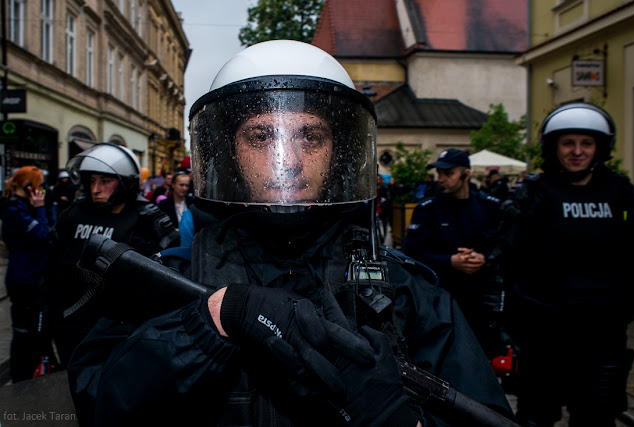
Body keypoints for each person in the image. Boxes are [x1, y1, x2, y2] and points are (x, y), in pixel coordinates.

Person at [67, 40, 513, 426]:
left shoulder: (404, 292)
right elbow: (97, 402)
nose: (290, 159)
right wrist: (206, 325)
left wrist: (402, 421)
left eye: (312, 137)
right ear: (229, 152)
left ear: (339, 150)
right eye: (261, 137)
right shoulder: (171, 279)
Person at [491, 102, 634, 426]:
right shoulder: (532, 195)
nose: (577, 152)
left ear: (600, 146)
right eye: (567, 143)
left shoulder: (623, 194)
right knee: (536, 415)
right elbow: (503, 260)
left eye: (586, 143)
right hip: (544, 334)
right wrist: (505, 322)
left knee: (597, 416)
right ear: (553, 147)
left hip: (605, 334)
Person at [47, 143, 180, 367]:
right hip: (70, 322)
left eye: (105, 181)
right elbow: (52, 263)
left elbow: (168, 273)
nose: (96, 189)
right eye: (91, 181)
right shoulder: (73, 213)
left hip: (117, 328)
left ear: (125, 182)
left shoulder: (147, 217)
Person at [403, 149, 508, 359]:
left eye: (448, 174)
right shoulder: (427, 209)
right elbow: (411, 254)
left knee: (483, 360)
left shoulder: (490, 207)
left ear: (465, 174)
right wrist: (450, 261)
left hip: (482, 303)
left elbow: (506, 248)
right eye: (439, 174)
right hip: (442, 301)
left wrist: (484, 259)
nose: (441, 179)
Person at [1, 166, 53, 382]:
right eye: (39, 185)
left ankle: (30, 374)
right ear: (30, 186)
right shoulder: (16, 210)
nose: (43, 190)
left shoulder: (25, 207)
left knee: (35, 333)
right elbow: (43, 234)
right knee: (24, 334)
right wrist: (40, 208)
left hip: (33, 277)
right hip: (24, 280)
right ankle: (20, 380)